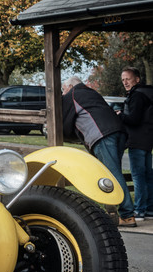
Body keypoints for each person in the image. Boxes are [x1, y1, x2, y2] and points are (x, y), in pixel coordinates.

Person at [62, 76, 135, 226]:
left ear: (70, 87)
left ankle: (127, 215)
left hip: (102, 135)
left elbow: (65, 125)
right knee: (114, 173)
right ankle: (115, 212)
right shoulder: (91, 92)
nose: (63, 93)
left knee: (113, 175)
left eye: (64, 89)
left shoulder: (72, 95)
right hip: (119, 132)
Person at [119, 67, 153, 221]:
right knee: (148, 176)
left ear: (137, 79)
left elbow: (134, 119)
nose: (125, 82)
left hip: (137, 140)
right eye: (123, 80)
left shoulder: (137, 95)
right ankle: (150, 209)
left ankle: (139, 210)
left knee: (138, 177)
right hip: (147, 140)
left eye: (128, 79)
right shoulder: (148, 93)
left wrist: (120, 115)